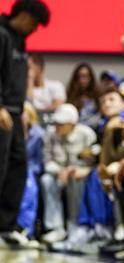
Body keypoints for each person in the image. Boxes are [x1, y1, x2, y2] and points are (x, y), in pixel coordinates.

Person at [0, 0, 50, 245]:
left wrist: (22, 107)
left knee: (17, 167)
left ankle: (6, 227)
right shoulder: (2, 34)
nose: (34, 29)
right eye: (34, 23)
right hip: (2, 112)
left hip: (15, 113)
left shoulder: (20, 40)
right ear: (25, 15)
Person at [40, 103, 97, 244]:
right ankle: (55, 227)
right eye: (56, 122)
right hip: (58, 174)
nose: (57, 126)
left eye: (61, 123)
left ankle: (76, 225)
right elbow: (47, 161)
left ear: (72, 124)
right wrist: (61, 171)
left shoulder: (86, 133)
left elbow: (96, 158)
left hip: (81, 174)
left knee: (75, 178)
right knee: (46, 180)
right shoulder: (50, 133)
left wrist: (81, 167)